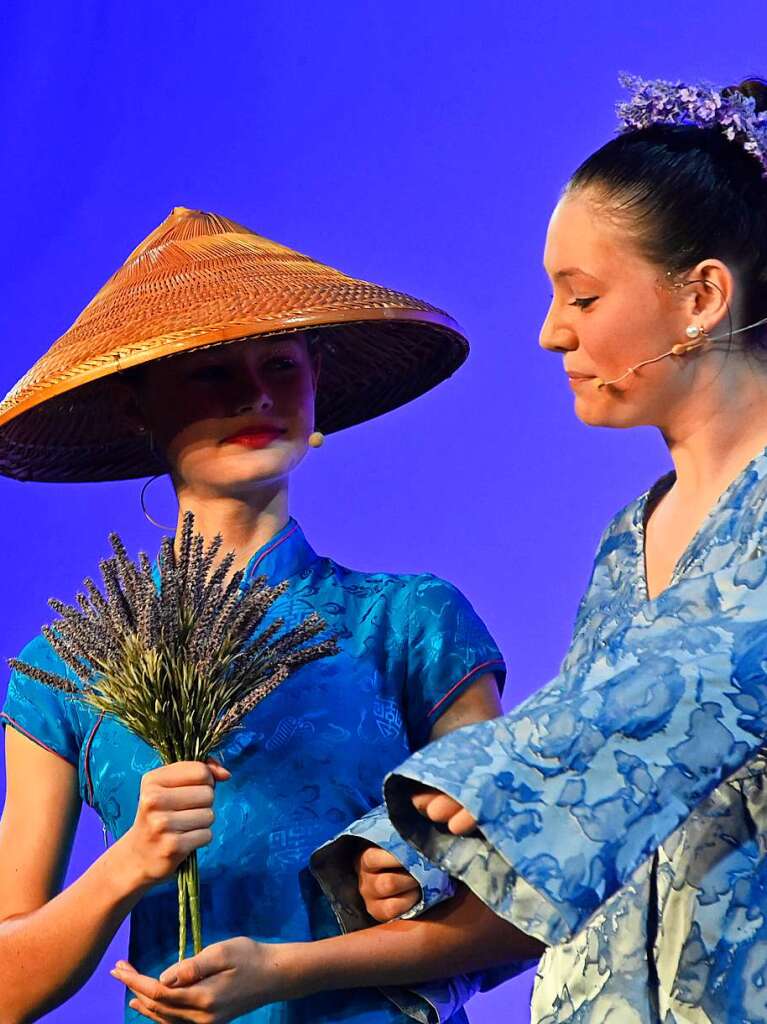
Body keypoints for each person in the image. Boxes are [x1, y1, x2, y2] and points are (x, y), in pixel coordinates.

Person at [116, 75, 767, 1023]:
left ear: (702, 295)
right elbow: (575, 862)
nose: (551, 333)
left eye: (581, 296)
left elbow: (685, 693)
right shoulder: (630, 543)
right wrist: (417, 874)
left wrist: (451, 800)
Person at [0, 207, 518, 1024]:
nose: (254, 394)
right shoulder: (65, 667)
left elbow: (519, 910)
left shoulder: (412, 621)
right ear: (136, 407)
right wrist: (124, 866)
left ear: (318, 389)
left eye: (281, 363)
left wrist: (291, 967)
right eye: (211, 372)